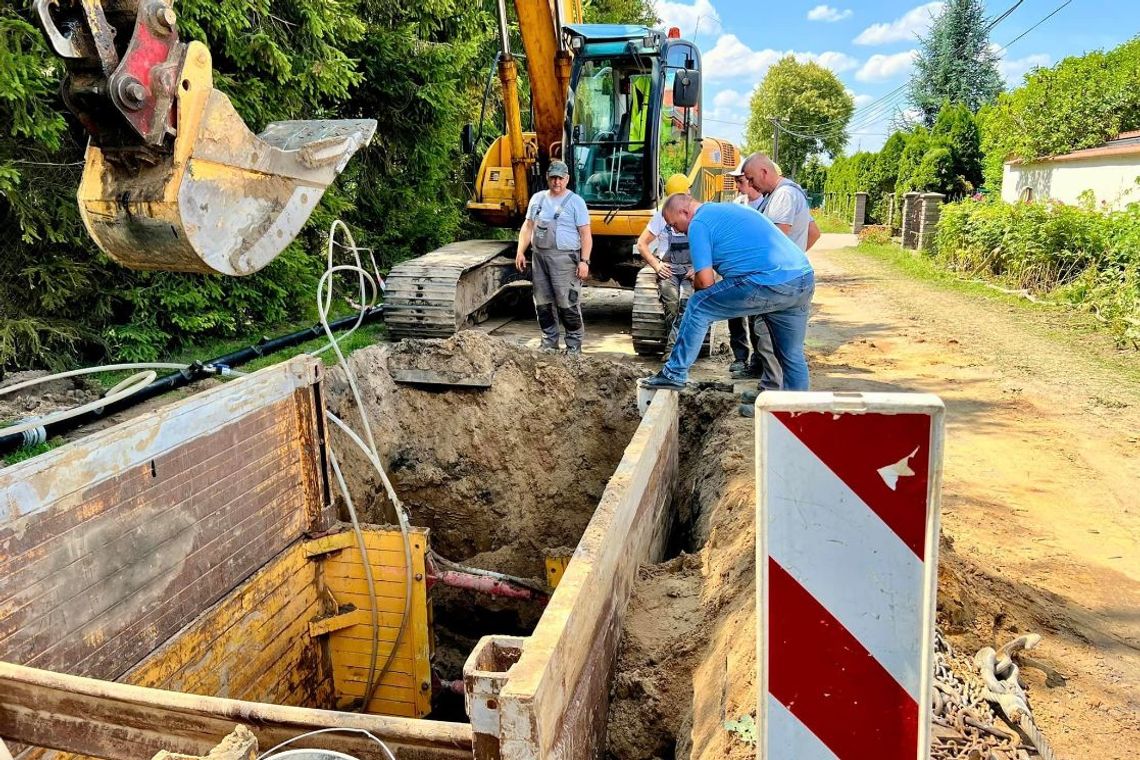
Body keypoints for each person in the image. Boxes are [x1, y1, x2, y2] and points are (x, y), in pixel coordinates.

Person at [638, 194, 815, 391]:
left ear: (684, 212)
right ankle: (796, 413)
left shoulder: (699, 223)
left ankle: (674, 373)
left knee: (698, 305)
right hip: (803, 279)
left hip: (768, 281)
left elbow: (705, 282)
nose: (675, 229)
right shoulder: (733, 210)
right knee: (791, 355)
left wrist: (697, 279)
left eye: (673, 223)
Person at [515, 160, 593, 353]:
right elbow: (528, 227)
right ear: (547, 178)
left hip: (565, 260)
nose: (556, 182)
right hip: (540, 258)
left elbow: (585, 234)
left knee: (567, 303)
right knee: (543, 303)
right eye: (553, 178)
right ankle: (549, 344)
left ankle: (574, 347)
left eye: (560, 178)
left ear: (567, 179)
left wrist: (584, 261)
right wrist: (520, 251)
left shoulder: (576, 202)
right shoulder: (538, 199)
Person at [636, 173, 695, 354]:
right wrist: (657, 265)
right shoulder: (662, 216)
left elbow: (711, 245)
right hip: (668, 268)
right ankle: (676, 350)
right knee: (671, 305)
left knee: (686, 305)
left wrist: (698, 268)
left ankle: (674, 351)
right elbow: (641, 244)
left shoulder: (695, 214)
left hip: (690, 269)